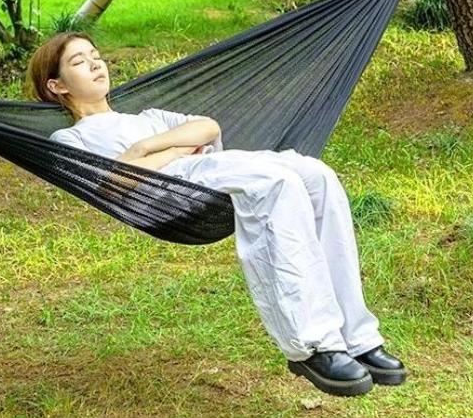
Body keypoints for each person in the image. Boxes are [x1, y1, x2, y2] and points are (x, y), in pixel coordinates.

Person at [25, 30, 408, 397]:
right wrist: (173, 151)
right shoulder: (70, 138)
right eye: (79, 61)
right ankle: (313, 345)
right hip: (175, 190)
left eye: (96, 56)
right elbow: (110, 183)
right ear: (57, 86)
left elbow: (208, 128)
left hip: (210, 169)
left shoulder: (147, 118)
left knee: (317, 175)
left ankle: (357, 338)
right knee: (278, 184)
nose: (96, 64)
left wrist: (144, 149)